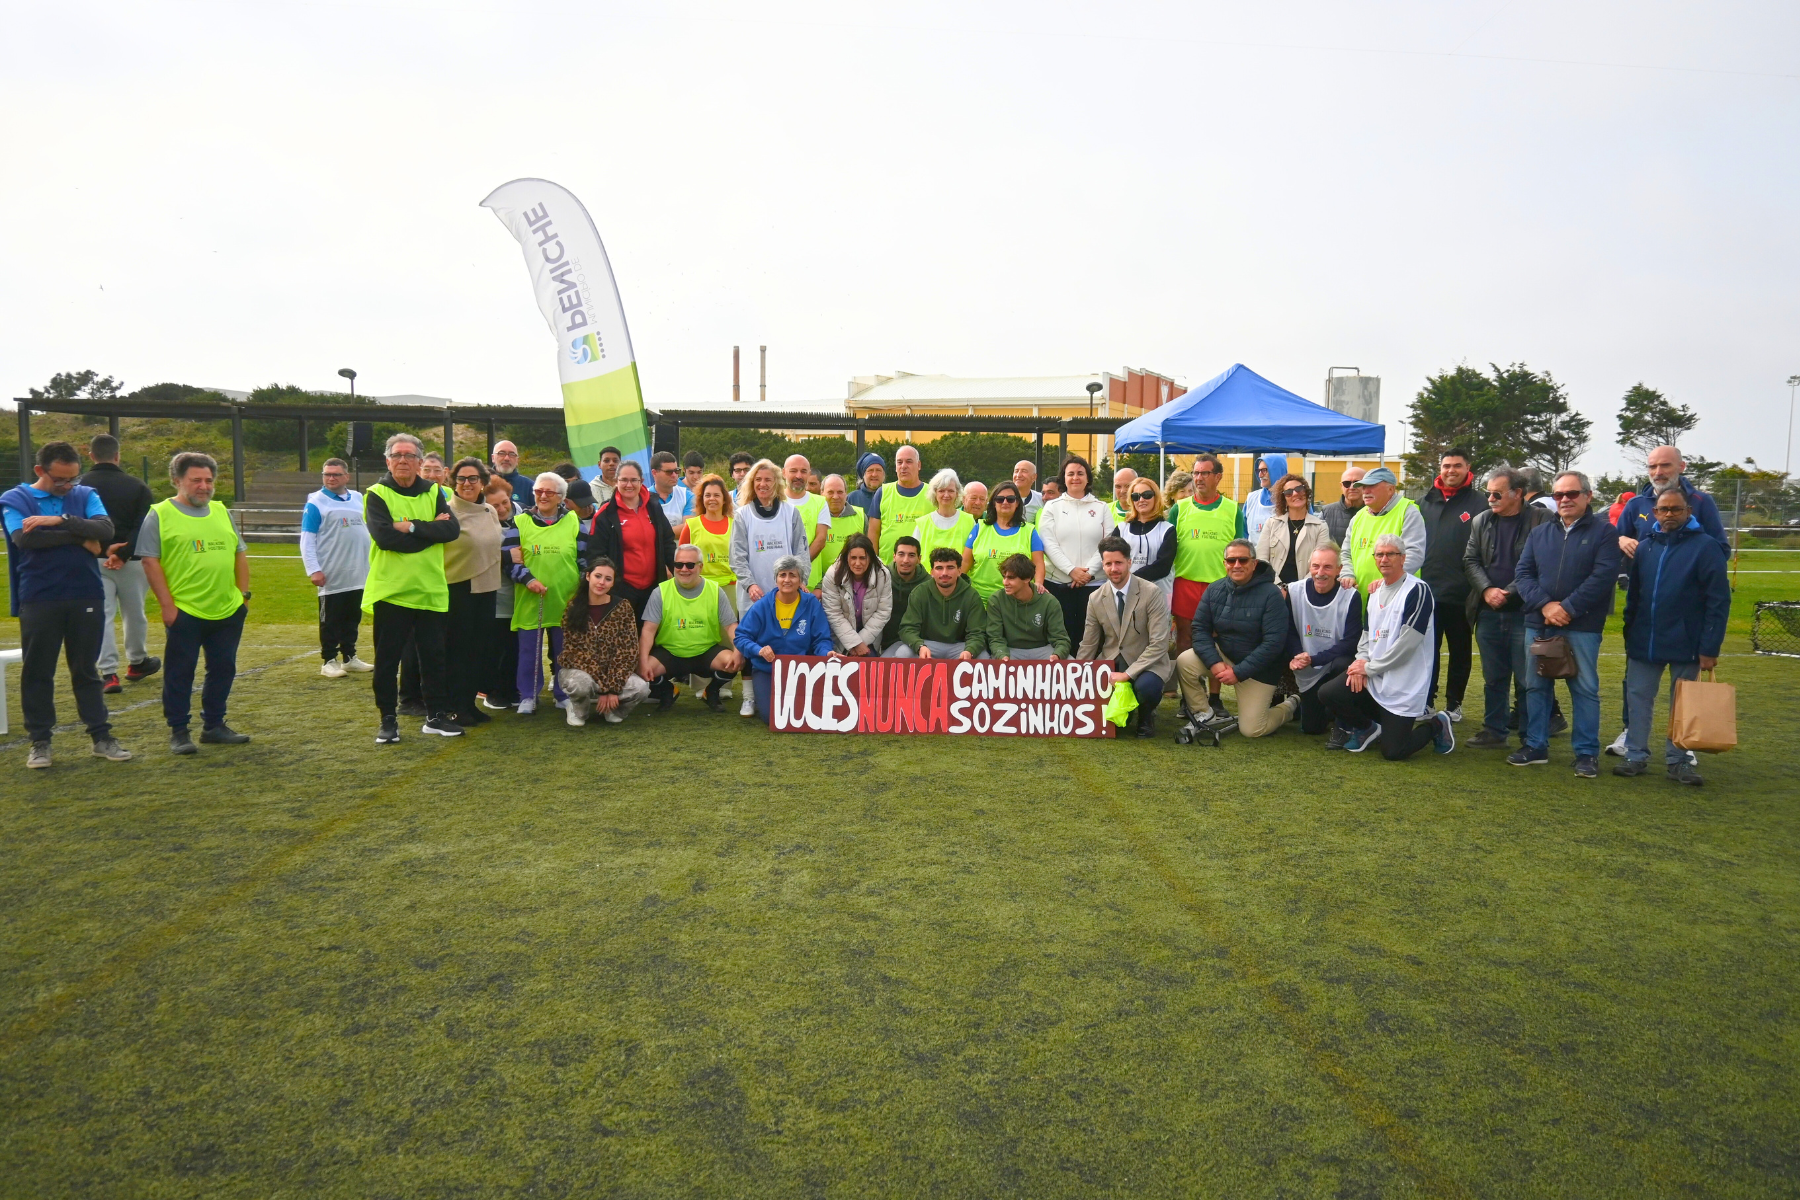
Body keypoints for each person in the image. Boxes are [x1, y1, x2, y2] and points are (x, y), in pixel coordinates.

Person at [3, 441, 129, 767]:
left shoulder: (85, 494)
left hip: (85, 593)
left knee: (86, 671)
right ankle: (40, 742)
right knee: (38, 672)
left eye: (72, 478)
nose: (67, 485)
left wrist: (58, 521)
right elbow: (25, 539)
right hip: (39, 596)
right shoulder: (14, 499)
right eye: (60, 479)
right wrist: (80, 536)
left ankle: (101, 737)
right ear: (39, 471)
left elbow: (105, 529)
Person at [1606, 443, 1730, 758]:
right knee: (1636, 688)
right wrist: (1619, 539)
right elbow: (1613, 547)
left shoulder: (1702, 502)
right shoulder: (1635, 504)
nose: (1658, 472)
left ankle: (1682, 747)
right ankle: (1632, 739)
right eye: (1652, 467)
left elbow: (1719, 551)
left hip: (1686, 620)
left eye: (1665, 466)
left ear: (1681, 467)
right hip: (1647, 619)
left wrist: (1687, 554)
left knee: (1683, 693)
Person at [139, 451, 255, 754]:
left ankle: (214, 726)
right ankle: (179, 731)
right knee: (180, 672)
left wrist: (242, 598)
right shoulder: (160, 514)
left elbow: (239, 554)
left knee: (223, 668)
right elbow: (150, 562)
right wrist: (168, 607)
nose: (204, 486)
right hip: (185, 611)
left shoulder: (221, 511)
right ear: (177, 480)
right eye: (196, 480)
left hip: (228, 609)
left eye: (208, 480)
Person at [1512, 471, 1620, 776]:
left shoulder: (1605, 533)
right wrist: (1546, 605)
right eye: (1559, 495)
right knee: (1535, 686)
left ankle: (1586, 753)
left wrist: (1567, 609)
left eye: (1571, 494)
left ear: (1588, 496)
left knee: (1584, 688)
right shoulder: (1540, 533)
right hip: (1539, 622)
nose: (1564, 500)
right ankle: (1536, 745)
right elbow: (1523, 575)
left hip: (1581, 625)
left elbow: (1602, 578)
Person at [360, 435, 462, 742]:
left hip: (430, 590)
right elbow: (385, 538)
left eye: (409, 455)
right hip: (392, 592)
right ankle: (388, 720)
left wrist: (412, 526)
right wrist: (430, 531)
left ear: (420, 462)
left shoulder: (434, 491)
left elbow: (451, 530)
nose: (403, 460)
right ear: (387, 461)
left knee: (434, 658)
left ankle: (435, 717)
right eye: (397, 455)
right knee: (388, 660)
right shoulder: (376, 494)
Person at [1319, 534, 1453, 759]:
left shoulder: (1418, 590)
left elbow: (1407, 644)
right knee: (1328, 693)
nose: (1384, 559)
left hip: (1403, 684)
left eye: (1390, 554)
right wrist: (1361, 661)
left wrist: (1369, 669)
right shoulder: (1374, 593)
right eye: (1379, 554)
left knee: (1394, 752)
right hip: (1374, 677)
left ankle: (1437, 725)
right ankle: (1368, 728)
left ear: (1403, 558)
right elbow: (1366, 635)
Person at [1461, 467, 1554, 750]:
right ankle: (1494, 730)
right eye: (1488, 492)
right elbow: (1470, 560)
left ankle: (1530, 736)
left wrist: (1510, 592)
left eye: (1497, 493)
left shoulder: (1542, 520)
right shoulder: (1481, 520)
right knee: (1494, 677)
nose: (1490, 498)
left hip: (1527, 612)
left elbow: (1542, 563)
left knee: (1528, 680)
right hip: (1488, 610)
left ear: (1518, 493)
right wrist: (1487, 590)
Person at [1176, 538, 1297, 739]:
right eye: (1231, 561)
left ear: (1254, 563)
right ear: (1224, 564)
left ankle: (1291, 705)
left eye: (1243, 560)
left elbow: (1273, 643)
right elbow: (1199, 629)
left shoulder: (1271, 594)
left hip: (1258, 670)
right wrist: (1214, 663)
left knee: (1252, 730)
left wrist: (1239, 672)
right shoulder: (1214, 589)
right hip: (1224, 657)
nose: (1237, 565)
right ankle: (1204, 713)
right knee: (1184, 661)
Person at [729, 458, 810, 715]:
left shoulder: (790, 513)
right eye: (758, 480)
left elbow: (802, 551)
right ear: (752, 484)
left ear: (777, 483)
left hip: (786, 593)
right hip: (754, 594)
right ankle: (750, 697)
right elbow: (737, 557)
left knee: (785, 640)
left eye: (768, 479)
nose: (763, 484)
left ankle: (788, 691)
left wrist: (801, 579)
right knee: (751, 643)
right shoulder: (742, 515)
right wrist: (750, 584)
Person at [80, 433, 158, 693]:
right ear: (117, 455)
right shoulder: (137, 486)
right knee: (135, 614)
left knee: (101, 616)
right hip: (132, 560)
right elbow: (143, 526)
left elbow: (76, 524)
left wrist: (104, 550)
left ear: (90, 456)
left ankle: (108, 673)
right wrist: (123, 553)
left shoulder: (80, 486)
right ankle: (137, 662)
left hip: (93, 559)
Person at [1168, 452, 1244, 715]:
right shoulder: (1180, 508)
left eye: (1204, 473)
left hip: (1220, 588)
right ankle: (1188, 697)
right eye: (1196, 473)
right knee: (1185, 641)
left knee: (1218, 641)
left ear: (1218, 477)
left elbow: (1242, 549)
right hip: (1186, 583)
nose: (1198, 478)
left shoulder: (1233, 509)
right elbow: (1168, 548)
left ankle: (1215, 698)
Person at [1076, 537, 1172, 738]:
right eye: (1108, 564)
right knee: (1115, 724)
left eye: (1118, 563)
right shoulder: (1095, 598)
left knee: (1146, 688)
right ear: (1102, 565)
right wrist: (1077, 675)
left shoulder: (1152, 592)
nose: (1113, 569)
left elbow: (1159, 643)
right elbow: (1089, 642)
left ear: (1129, 562)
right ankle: (1126, 711)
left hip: (1148, 663)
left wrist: (1127, 675)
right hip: (1112, 661)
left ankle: (1146, 716)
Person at [505, 471, 582, 716]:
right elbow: (511, 562)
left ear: (561, 497)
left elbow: (583, 559)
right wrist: (527, 580)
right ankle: (528, 696)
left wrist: (582, 585)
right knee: (529, 652)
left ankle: (562, 694)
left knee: (564, 652)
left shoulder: (573, 521)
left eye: (549, 492)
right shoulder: (519, 522)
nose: (543, 496)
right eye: (539, 491)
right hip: (531, 600)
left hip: (565, 599)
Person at [1418, 449, 1485, 722]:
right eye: (1446, 465)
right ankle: (1426, 701)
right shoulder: (1424, 502)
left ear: (1468, 468)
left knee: (1460, 652)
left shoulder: (1480, 503)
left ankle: (1454, 704)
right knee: (1426, 653)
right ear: (1440, 468)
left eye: (1457, 465)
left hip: (1462, 594)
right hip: (1427, 592)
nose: (1451, 470)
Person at [638, 543, 745, 712]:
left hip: (706, 651)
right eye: (679, 565)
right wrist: (642, 660)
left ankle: (711, 692)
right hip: (670, 652)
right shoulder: (660, 592)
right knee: (640, 667)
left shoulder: (715, 591)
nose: (684, 569)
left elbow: (731, 626)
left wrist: (738, 651)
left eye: (690, 565)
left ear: (700, 567)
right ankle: (667, 690)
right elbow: (648, 630)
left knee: (734, 661)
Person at [735, 554, 835, 719]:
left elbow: (821, 639)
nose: (787, 580)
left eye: (792, 575)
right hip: (767, 669)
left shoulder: (811, 604)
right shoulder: (762, 605)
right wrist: (759, 650)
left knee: (804, 714)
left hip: (802, 669)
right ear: (776, 579)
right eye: (782, 575)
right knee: (772, 717)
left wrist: (826, 653)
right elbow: (741, 636)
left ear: (800, 580)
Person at [442, 457, 503, 726]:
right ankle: (454, 707)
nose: (467, 484)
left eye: (473, 479)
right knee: (459, 651)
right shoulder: (446, 512)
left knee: (480, 650)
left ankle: (469, 703)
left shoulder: (490, 510)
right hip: (459, 588)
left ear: (483, 482)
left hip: (487, 588)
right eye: (462, 479)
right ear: (454, 482)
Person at [557, 557, 652, 727]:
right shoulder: (573, 607)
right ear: (588, 577)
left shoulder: (622, 607)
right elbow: (576, 654)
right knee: (580, 683)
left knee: (641, 688)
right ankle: (578, 710)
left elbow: (627, 652)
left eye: (608, 579)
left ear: (613, 583)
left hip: (612, 673)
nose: (602, 582)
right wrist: (605, 688)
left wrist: (613, 688)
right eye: (598, 576)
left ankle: (614, 710)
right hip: (581, 671)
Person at [1285, 544, 1363, 748]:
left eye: (1328, 567)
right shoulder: (1294, 591)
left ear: (1339, 569)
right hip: (1307, 667)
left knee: (1342, 663)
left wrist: (1315, 659)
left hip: (1333, 665)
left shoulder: (1351, 596)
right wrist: (1297, 654)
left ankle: (1342, 723)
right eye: (1316, 566)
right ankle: (1322, 707)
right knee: (1311, 728)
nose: (1320, 573)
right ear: (1309, 566)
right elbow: (1290, 629)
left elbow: (1350, 642)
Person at [301, 456, 372, 678]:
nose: (330, 478)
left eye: (336, 474)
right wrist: (313, 569)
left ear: (346, 477)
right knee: (331, 619)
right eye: (327, 474)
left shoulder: (358, 498)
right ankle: (328, 660)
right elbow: (307, 539)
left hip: (358, 572)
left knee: (352, 617)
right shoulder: (316, 502)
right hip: (332, 573)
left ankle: (349, 658)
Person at [586, 460, 676, 621]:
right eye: (624, 480)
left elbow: (668, 541)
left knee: (650, 638)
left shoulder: (653, 507)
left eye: (634, 480)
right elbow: (596, 555)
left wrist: (678, 572)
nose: (629, 485)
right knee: (623, 640)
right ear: (616, 481)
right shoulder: (605, 514)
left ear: (641, 481)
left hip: (653, 588)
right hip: (621, 590)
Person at [1039, 455, 1115, 641]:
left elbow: (1108, 542)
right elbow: (1049, 543)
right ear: (1063, 478)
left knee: (1091, 637)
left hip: (1094, 584)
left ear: (1088, 478)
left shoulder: (1102, 508)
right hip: (1058, 584)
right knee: (1062, 636)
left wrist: (1087, 573)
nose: (1075, 478)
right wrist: (1071, 570)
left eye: (1080, 473)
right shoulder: (1052, 507)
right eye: (1070, 473)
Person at [888, 546, 987, 659]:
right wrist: (919, 646)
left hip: (960, 647)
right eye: (939, 568)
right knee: (903, 653)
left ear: (959, 570)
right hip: (927, 645)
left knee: (983, 657)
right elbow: (907, 628)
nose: (944, 573)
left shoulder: (971, 595)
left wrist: (970, 650)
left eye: (950, 567)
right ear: (932, 572)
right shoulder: (919, 592)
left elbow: (977, 633)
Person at [1341, 467, 1424, 596]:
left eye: (1372, 486)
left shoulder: (1408, 511)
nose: (1365, 491)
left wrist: (1389, 582)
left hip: (1396, 596)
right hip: (1360, 597)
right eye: (1363, 486)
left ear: (1390, 489)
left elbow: (1414, 553)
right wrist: (1347, 574)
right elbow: (1346, 553)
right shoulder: (1358, 517)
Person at [963, 481, 1045, 600]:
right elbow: (965, 562)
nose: (1005, 502)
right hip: (979, 599)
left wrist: (1038, 583)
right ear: (993, 503)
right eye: (1000, 499)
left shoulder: (1029, 531)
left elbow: (1038, 563)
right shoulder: (979, 528)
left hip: (1017, 600)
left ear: (1017, 503)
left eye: (1010, 499)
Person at [481, 476, 521, 709]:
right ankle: (494, 691)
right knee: (496, 648)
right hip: (495, 596)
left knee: (515, 647)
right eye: (495, 505)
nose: (502, 508)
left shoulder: (524, 518)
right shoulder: (483, 524)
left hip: (520, 596)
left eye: (505, 502)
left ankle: (514, 688)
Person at [985, 553, 1070, 661]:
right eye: (1004, 577)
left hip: (1043, 650)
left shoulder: (1049, 601)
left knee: (1071, 663)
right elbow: (995, 638)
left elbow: (1061, 639)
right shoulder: (996, 600)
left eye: (1011, 578)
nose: (1005, 582)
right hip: (1010, 651)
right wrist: (1002, 655)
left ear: (1027, 579)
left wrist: (1057, 655)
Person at [819, 532, 892, 655]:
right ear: (846, 557)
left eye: (862, 558)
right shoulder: (833, 574)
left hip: (870, 637)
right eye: (853, 558)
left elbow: (883, 611)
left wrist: (860, 643)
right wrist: (854, 643)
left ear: (870, 557)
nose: (857, 563)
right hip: (839, 638)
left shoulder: (883, 574)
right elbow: (833, 613)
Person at [1256, 474, 1329, 589]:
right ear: (1283, 499)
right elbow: (1261, 559)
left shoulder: (1320, 527)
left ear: (1306, 492)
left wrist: (1297, 589)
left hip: (1306, 590)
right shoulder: (1271, 524)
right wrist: (1278, 586)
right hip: (1274, 589)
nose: (1295, 494)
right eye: (1289, 492)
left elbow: (1322, 563)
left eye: (1299, 489)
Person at [872, 445, 934, 565]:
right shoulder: (883, 492)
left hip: (923, 570)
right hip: (887, 569)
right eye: (899, 462)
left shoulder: (932, 493)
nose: (903, 466)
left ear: (919, 465)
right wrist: (874, 563)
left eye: (909, 462)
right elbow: (873, 533)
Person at [1117, 476, 1175, 603]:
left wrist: (1130, 579)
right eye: (1136, 496)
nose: (1141, 499)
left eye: (1147, 495)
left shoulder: (1167, 529)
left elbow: (1163, 566)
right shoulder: (1121, 529)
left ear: (1156, 497)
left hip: (1158, 596)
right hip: (1127, 595)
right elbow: (1111, 558)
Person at [909, 468, 976, 568]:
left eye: (950, 491)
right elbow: (913, 556)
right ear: (935, 493)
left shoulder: (969, 521)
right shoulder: (922, 523)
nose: (946, 495)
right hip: (928, 582)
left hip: (961, 582)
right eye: (941, 491)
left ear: (957, 493)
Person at [810, 474, 867, 589]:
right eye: (830, 492)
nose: (835, 497)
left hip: (851, 584)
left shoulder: (860, 516)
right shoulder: (812, 516)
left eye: (840, 492)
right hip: (816, 586)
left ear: (846, 493)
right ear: (821, 493)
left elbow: (869, 552)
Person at [780, 453, 831, 563]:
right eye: (793, 471)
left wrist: (799, 567)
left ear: (808, 474)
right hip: (779, 577)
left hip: (811, 578)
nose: (798, 476)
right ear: (784, 473)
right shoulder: (775, 501)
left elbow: (821, 540)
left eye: (803, 471)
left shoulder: (820, 502)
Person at [884, 536, 927, 653]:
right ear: (894, 557)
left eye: (911, 555)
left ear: (919, 559)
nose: (905, 560)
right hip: (885, 642)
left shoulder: (928, 584)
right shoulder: (881, 578)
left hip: (917, 642)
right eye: (901, 554)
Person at [1242, 455, 1291, 549]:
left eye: (1264, 470)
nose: (1260, 475)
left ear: (1277, 470)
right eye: (1259, 471)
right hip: (1256, 560)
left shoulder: (1294, 498)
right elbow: (1244, 532)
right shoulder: (1252, 498)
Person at [1321, 466, 1366, 544]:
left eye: (1357, 483)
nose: (1352, 487)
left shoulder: (1375, 512)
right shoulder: (1326, 513)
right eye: (1347, 483)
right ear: (1341, 486)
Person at [489, 440, 535, 510]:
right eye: (501, 453)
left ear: (517, 460)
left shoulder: (530, 487)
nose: (507, 458)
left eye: (512, 454)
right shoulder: (482, 483)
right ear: (493, 458)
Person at [648, 451, 692, 524]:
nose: (674, 475)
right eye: (669, 472)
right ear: (654, 473)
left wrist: (657, 534)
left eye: (677, 471)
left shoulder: (687, 496)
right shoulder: (643, 497)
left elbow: (688, 527)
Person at [846, 452, 886, 521]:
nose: (874, 474)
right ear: (863, 475)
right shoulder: (852, 498)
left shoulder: (891, 496)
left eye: (878, 470)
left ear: (884, 474)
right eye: (870, 470)